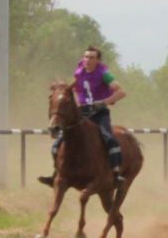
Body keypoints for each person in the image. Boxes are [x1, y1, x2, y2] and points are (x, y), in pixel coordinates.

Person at [40, 46, 127, 187]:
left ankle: (116, 175)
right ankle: (56, 174)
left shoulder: (105, 74)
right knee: (58, 143)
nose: (87, 60)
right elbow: (70, 88)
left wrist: (103, 103)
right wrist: (59, 90)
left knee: (109, 139)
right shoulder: (80, 72)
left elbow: (121, 92)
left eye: (92, 57)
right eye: (86, 57)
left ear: (98, 60)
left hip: (99, 113)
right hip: (83, 113)